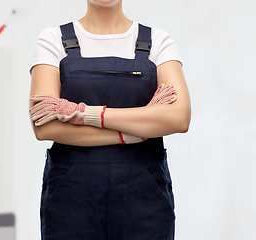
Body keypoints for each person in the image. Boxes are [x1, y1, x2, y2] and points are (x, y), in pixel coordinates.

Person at [29, 0, 191, 239]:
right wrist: (136, 132)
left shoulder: (159, 41)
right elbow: (44, 126)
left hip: (144, 199)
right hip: (71, 199)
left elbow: (179, 118)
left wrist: (84, 114)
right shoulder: (53, 39)